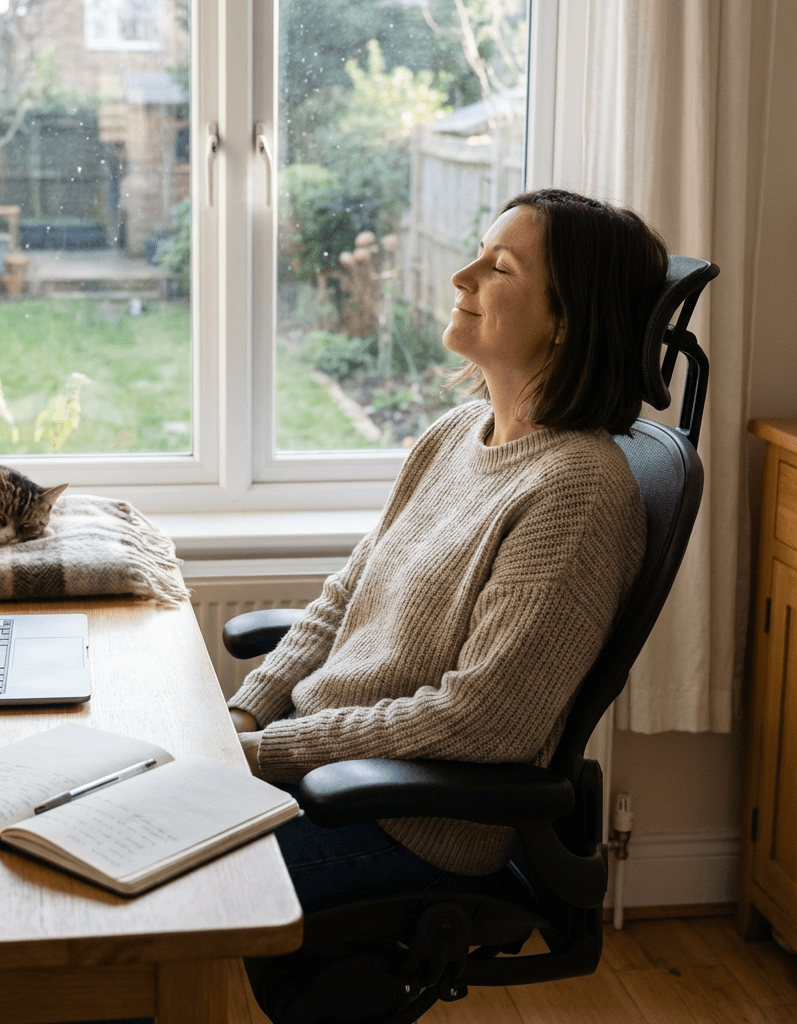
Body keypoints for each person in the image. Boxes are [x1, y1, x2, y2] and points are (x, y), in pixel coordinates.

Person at [228, 189, 668, 915]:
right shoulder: (455, 434)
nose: (461, 277)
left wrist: (266, 753)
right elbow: (346, 594)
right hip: (313, 766)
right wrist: (246, 716)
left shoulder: (577, 491)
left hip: (400, 823)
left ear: (566, 321)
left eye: (498, 267)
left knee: (139, 897)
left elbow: (483, 719)